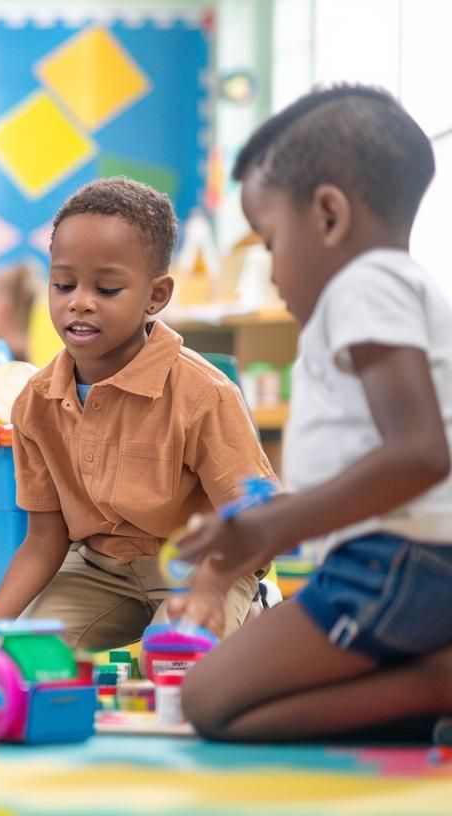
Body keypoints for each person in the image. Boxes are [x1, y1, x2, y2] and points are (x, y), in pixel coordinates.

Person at [176, 85, 452, 743]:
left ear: (328, 215)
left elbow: (420, 453)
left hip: (397, 564)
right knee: (224, 703)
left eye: (270, 241)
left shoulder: (364, 285)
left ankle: (439, 680)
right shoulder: (399, 288)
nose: (272, 272)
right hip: (405, 563)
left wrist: (272, 527)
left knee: (210, 700)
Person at [0, 177, 275, 649]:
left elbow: (255, 517)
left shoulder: (204, 394)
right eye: (63, 284)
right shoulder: (35, 402)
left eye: (107, 288)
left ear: (156, 297)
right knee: (21, 660)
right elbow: (43, 541)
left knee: (174, 658)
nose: (79, 300)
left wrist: (210, 590)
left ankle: (254, 609)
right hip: (99, 570)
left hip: (206, 566)